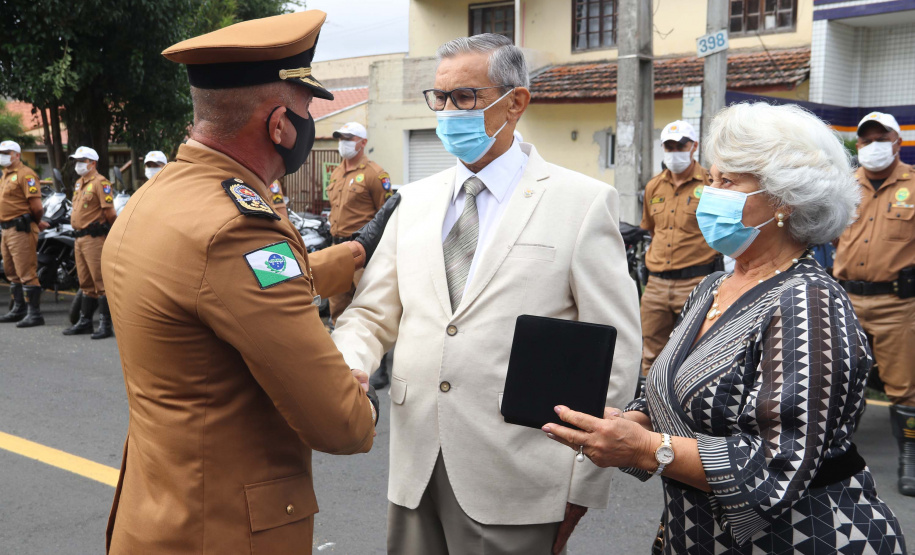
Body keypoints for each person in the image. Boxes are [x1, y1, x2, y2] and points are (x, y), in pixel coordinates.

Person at [543, 103, 907, 554]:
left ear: (783, 199)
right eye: (711, 180)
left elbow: (779, 465)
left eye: (728, 182)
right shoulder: (714, 286)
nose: (709, 194)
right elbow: (679, 387)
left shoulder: (807, 299)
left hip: (801, 539)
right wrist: (629, 420)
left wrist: (643, 448)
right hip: (694, 534)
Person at [331, 34, 640, 555]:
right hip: (415, 471)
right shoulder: (415, 202)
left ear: (515, 102)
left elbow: (614, 356)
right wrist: (349, 362)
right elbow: (370, 315)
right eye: (440, 98)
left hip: (519, 478)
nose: (448, 111)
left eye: (465, 97)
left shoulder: (580, 203)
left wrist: (583, 485)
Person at [101, 11, 397, 554]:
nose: (313, 125)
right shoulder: (239, 231)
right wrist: (361, 399)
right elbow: (339, 426)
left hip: (160, 512)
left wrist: (356, 251)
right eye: (308, 111)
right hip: (223, 531)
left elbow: (243, 288)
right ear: (279, 124)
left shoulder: (161, 198)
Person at [834, 111, 915, 496]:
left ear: (897, 142)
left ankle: (911, 457)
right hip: (847, 298)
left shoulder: (914, 185)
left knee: (904, 388)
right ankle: (835, 453)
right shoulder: (845, 185)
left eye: (880, 139)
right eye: (865, 141)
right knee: (842, 379)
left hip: (898, 304)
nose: (871, 147)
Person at [639, 120, 719, 376]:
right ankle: (646, 409)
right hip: (656, 285)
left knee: (692, 352)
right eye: (669, 146)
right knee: (650, 352)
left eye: (680, 145)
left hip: (695, 282)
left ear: (694, 146)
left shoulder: (711, 184)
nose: (674, 151)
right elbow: (653, 230)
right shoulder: (653, 186)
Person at [327, 121, 391, 325]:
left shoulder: (375, 174)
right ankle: (339, 349)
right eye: (340, 138)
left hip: (362, 250)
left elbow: (386, 215)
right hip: (336, 247)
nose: (342, 143)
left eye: (348, 138)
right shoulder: (337, 173)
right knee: (337, 303)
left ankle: (373, 353)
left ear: (362, 142)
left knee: (367, 305)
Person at [61, 146, 117, 339]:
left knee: (100, 281)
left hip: (94, 238)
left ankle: (105, 325)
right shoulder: (79, 183)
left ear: (92, 163)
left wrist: (112, 232)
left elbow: (109, 212)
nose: (78, 164)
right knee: (85, 282)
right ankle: (85, 322)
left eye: (82, 160)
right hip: (79, 238)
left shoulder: (101, 183)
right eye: (76, 161)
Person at [0, 139, 47, 327]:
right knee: (12, 272)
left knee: (26, 272)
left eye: (6, 152)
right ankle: (18, 309)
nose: (2, 156)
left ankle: (34, 314)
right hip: (6, 229)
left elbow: (37, 206)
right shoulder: (4, 175)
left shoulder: (26, 174)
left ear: (17, 155)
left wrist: (35, 222)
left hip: (21, 229)